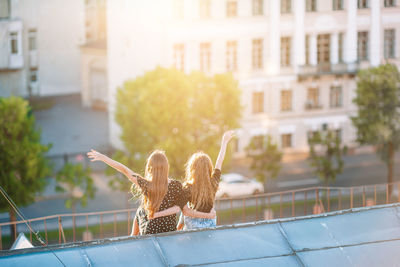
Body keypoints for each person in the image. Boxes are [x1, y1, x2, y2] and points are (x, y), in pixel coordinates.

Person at [87, 149, 214, 235]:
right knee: (141, 210)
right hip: (169, 232)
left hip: (150, 230)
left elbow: (125, 170)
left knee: (140, 211)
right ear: (166, 167)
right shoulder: (176, 185)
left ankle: (132, 238)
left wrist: (104, 158)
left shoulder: (147, 185)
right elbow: (179, 209)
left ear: (150, 167)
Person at [178, 130, 235, 229]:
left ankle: (178, 229)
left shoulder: (187, 187)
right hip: (209, 226)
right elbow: (219, 163)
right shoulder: (213, 183)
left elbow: (185, 212)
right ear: (209, 168)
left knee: (185, 209)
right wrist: (224, 142)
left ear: (192, 169)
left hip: (192, 228)